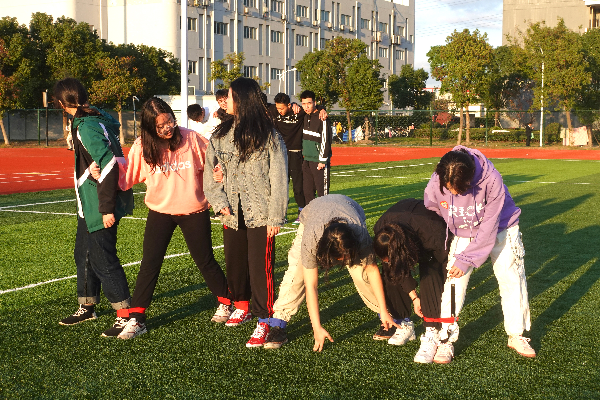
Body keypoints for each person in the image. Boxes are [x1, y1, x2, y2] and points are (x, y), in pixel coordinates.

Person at [99, 97, 231, 339]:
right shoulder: (142, 145)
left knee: (205, 260)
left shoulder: (191, 138)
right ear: (150, 127)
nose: (168, 128)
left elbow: (215, 162)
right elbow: (128, 177)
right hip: (160, 212)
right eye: (161, 126)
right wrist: (105, 169)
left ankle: (226, 302)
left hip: (194, 210)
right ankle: (137, 318)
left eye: (170, 121)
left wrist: (220, 172)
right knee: (149, 264)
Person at [424, 146, 535, 363]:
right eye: (448, 188)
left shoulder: (492, 179)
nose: (453, 194)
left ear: (470, 179)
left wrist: (466, 259)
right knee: (454, 283)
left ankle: (516, 334)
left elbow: (489, 226)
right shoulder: (439, 177)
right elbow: (432, 206)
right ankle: (446, 338)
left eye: (458, 190)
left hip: (502, 228)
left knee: (511, 279)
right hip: (463, 232)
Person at [203, 77, 288, 348]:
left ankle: (265, 319)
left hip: (261, 212)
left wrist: (276, 217)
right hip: (231, 212)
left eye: (229, 96)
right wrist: (219, 202)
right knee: (235, 262)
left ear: (242, 99)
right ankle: (242, 305)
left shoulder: (269, 136)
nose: (225, 101)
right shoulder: (220, 135)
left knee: (261, 268)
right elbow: (210, 172)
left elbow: (279, 178)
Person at [263, 194, 399, 351]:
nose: (344, 262)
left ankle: (385, 317)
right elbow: (311, 285)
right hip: (312, 217)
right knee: (296, 273)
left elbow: (372, 271)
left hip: (349, 211)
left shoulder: (359, 233)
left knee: (362, 274)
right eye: (341, 259)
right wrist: (317, 328)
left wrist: (383, 310)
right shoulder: (312, 239)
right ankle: (278, 324)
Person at [54, 77, 134, 337]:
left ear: (60, 103)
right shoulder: (93, 118)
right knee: (84, 254)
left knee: (103, 258)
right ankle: (87, 306)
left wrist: (106, 207)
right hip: (88, 202)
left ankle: (125, 315)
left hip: (99, 202)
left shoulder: (86, 125)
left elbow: (108, 162)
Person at [373, 198, 452, 363]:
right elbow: (396, 267)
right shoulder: (381, 229)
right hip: (403, 222)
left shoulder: (433, 233)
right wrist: (415, 298)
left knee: (431, 273)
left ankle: (434, 331)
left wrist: (432, 305)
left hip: (431, 234)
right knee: (389, 269)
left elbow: (444, 269)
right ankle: (403, 322)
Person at [268, 93, 327, 223]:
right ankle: (281, 214)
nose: (279, 111)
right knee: (280, 185)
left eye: (282, 108)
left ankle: (302, 211)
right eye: (278, 108)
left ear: (289, 105)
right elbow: (260, 104)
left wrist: (322, 109)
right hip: (280, 154)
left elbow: (311, 107)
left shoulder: (299, 112)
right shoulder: (273, 109)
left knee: (299, 186)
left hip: (296, 154)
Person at [300, 90, 332, 206]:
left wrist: (322, 160)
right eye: (304, 104)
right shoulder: (304, 116)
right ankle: (312, 215)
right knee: (308, 192)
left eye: (309, 103)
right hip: (307, 160)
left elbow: (326, 139)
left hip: (319, 162)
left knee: (322, 194)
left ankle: (325, 215)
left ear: (314, 102)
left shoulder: (322, 117)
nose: (306, 107)